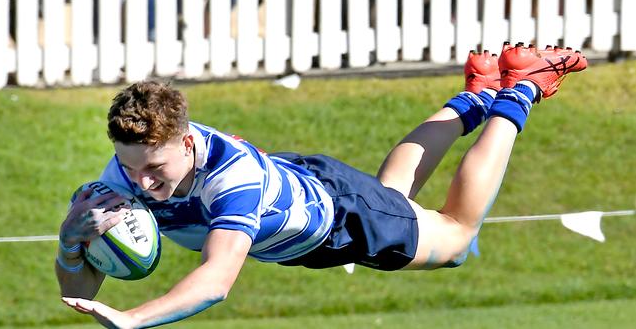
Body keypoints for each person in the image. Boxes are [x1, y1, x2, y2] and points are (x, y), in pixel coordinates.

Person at [56, 42, 587, 328]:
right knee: (394, 198)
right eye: (131, 169)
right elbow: (78, 292)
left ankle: (520, 90)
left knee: (454, 237)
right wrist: (71, 245)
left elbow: (217, 279)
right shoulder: (117, 181)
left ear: (188, 143)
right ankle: (474, 97)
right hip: (305, 186)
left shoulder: (230, 180)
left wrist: (133, 320)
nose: (143, 185)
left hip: (338, 219)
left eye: (157, 170)